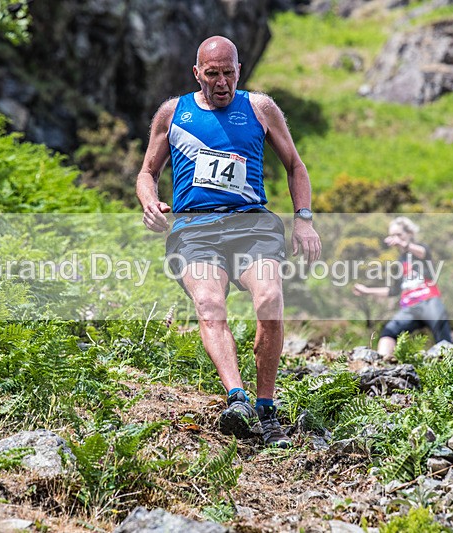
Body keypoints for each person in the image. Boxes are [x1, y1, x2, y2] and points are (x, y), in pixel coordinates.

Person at [136, 36, 321, 448]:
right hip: (194, 230)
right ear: (197, 73)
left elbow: (295, 165)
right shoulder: (173, 112)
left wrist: (304, 220)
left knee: (269, 299)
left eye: (230, 73)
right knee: (209, 303)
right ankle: (237, 398)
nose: (222, 83)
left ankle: (266, 406)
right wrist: (150, 203)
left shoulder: (260, 108)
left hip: (252, 225)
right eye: (213, 74)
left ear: (240, 69)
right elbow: (147, 172)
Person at [352, 217, 452, 359]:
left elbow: (423, 252)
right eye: (392, 235)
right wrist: (367, 291)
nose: (395, 239)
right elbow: (393, 291)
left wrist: (404, 244)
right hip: (409, 308)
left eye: (399, 234)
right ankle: (381, 365)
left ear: (409, 233)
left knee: (442, 333)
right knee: (388, 331)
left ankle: (452, 366)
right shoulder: (399, 263)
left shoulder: (421, 250)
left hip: (429, 301)